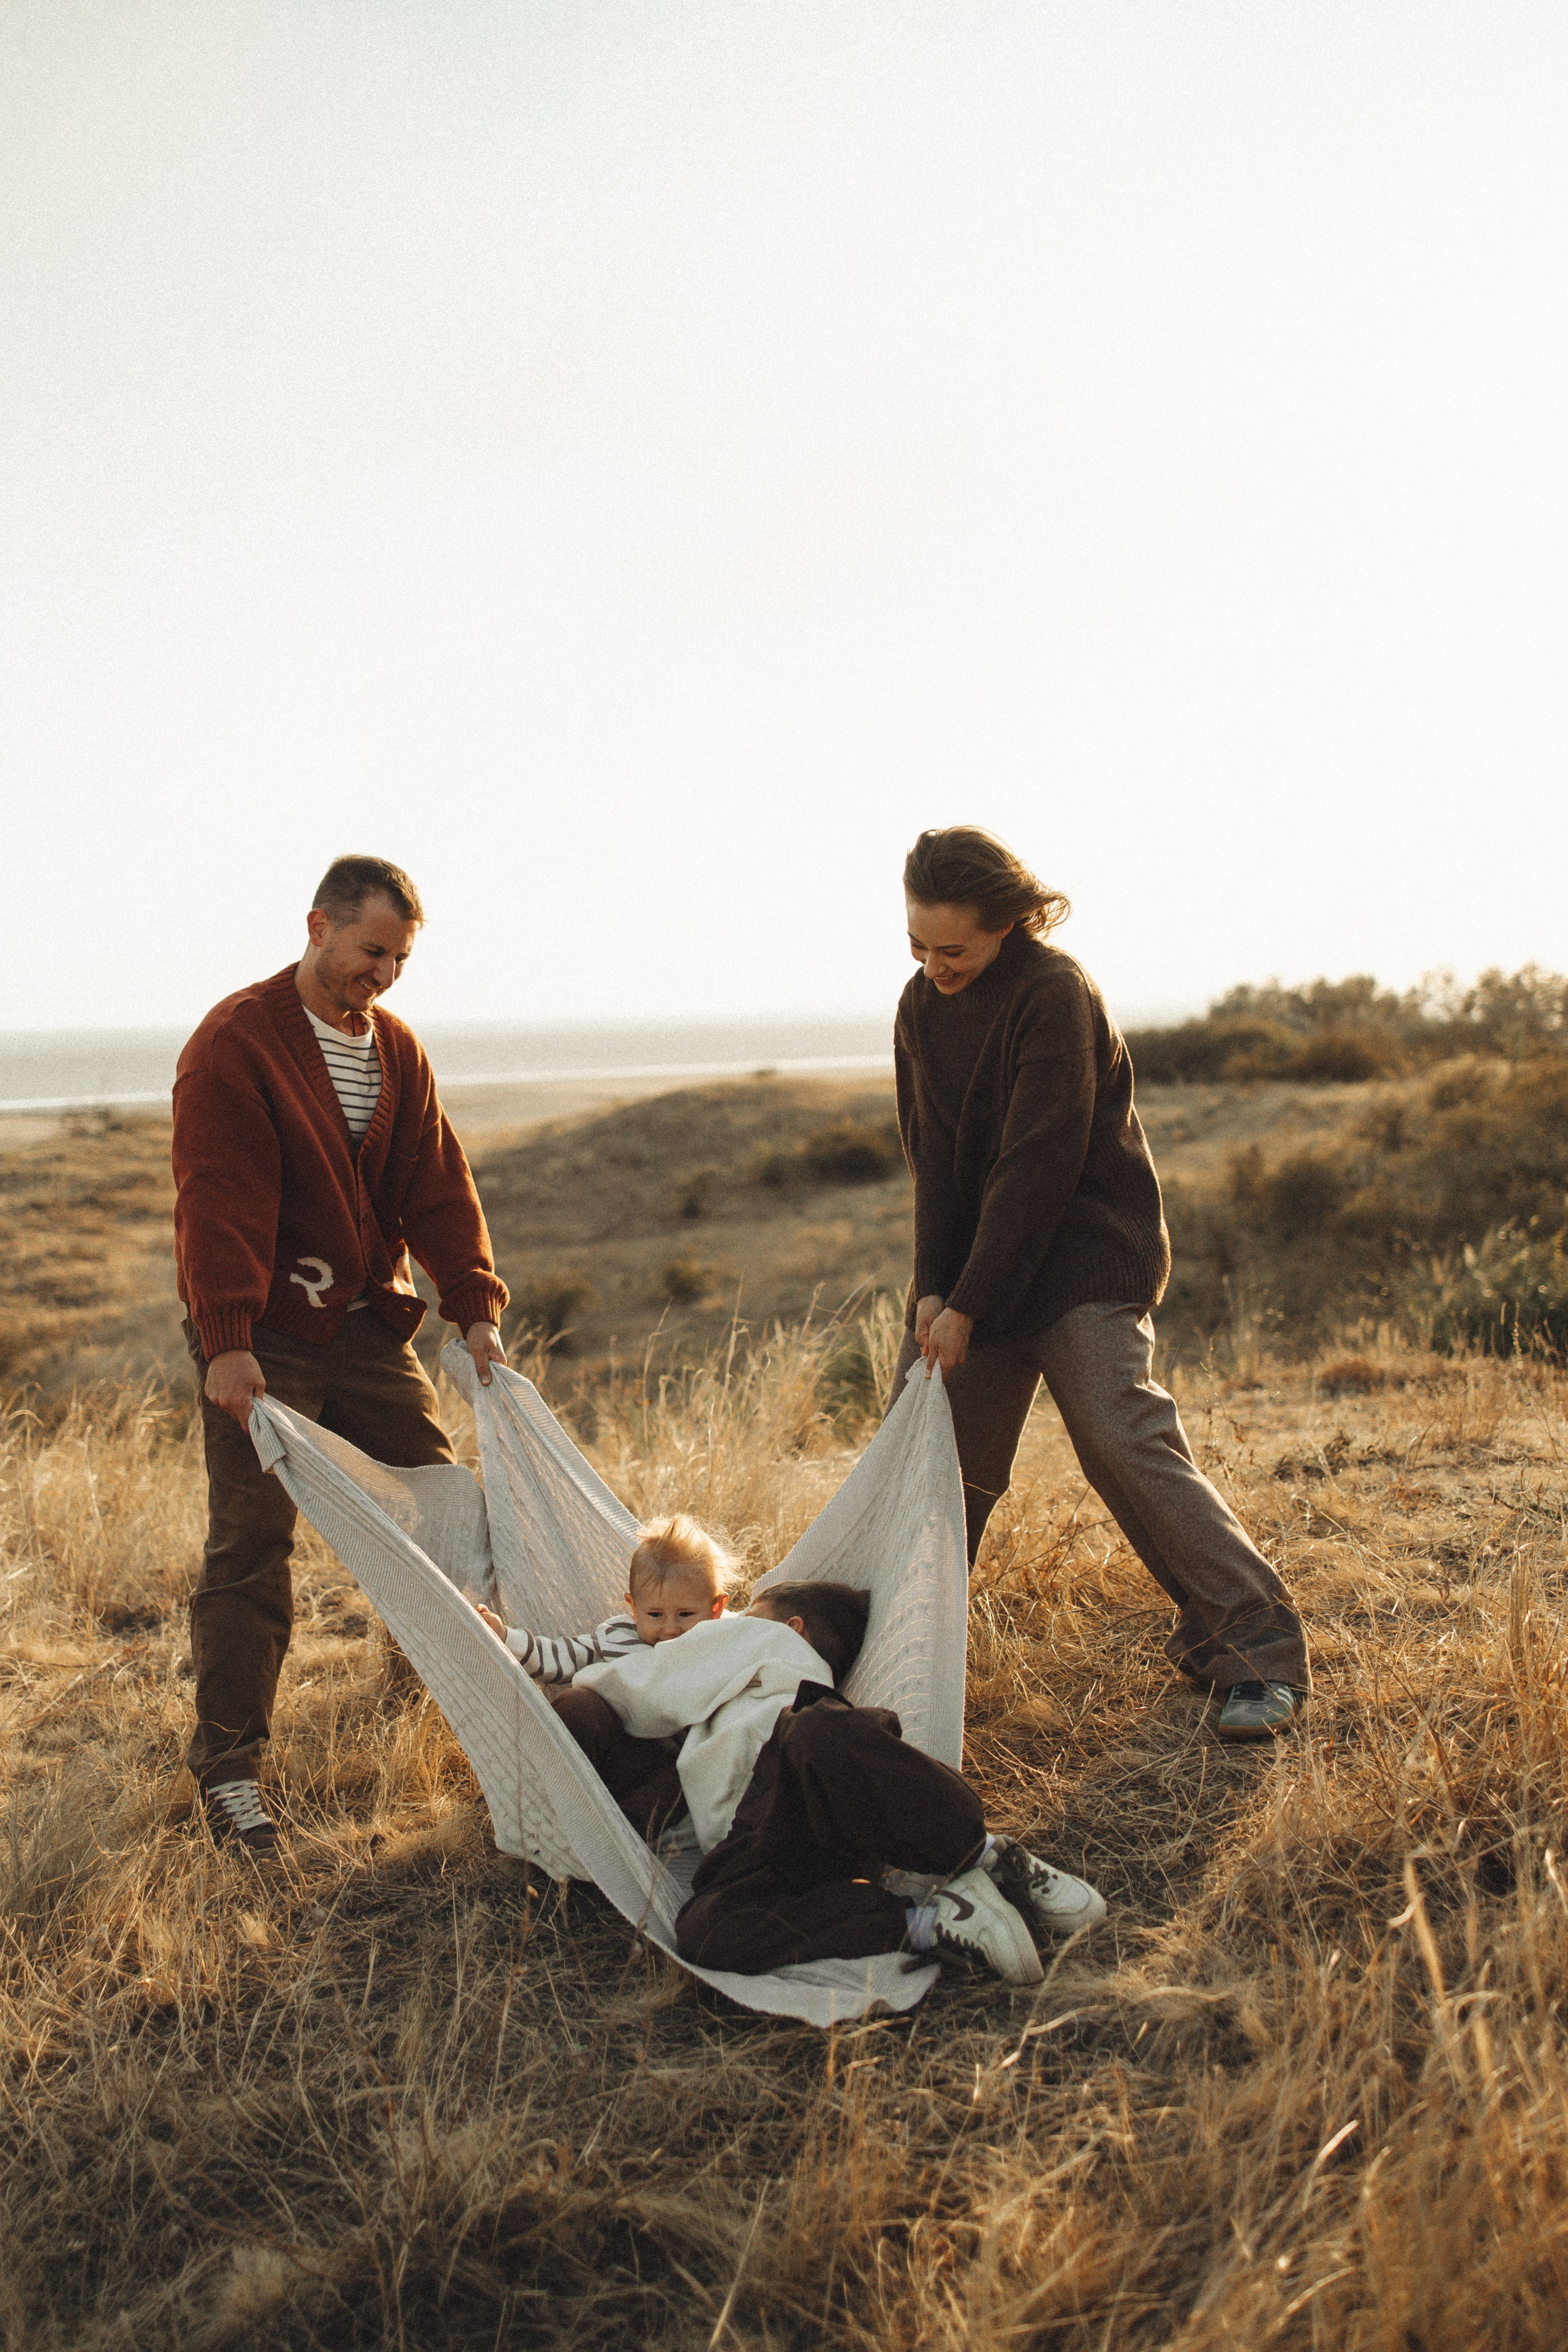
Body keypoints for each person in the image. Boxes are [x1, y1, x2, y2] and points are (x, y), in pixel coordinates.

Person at [891, 826, 1310, 1741]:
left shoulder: (1054, 994)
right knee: (927, 1455)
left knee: (1121, 1436)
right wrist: (932, 1290)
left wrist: (968, 1304)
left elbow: (1037, 1166)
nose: (934, 965)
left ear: (1008, 925)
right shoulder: (922, 1007)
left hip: (1083, 1257)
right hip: (977, 1271)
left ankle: (1256, 1652)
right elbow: (936, 1160)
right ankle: (893, 1664)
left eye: (953, 948)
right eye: (917, 945)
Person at [173, 853, 510, 1852]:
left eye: (400, 959)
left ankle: (431, 1711)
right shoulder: (237, 1042)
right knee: (252, 1548)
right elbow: (215, 1199)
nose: (385, 975)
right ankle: (230, 1773)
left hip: (366, 1327)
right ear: (317, 925)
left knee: (443, 1511)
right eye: (373, 952)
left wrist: (473, 1303)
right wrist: (227, 1341)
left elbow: (439, 1183)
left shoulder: (397, 1050)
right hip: (265, 1339)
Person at [541, 1573, 1107, 1984]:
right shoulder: (735, 1691)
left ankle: (987, 1855)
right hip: (764, 1839)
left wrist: (572, 1683)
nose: (722, 1629)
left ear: (792, 1628)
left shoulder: (767, 1647)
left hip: (793, 1768)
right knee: (706, 1931)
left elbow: (650, 1683)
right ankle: (932, 1922)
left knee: (819, 1733)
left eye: (744, 1618)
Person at [473, 1512, 731, 1680]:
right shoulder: (616, 1637)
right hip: (628, 1743)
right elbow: (559, 1655)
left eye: (686, 1614)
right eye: (654, 1614)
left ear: (716, 1609)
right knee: (579, 1706)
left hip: (690, 1747)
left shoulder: (726, 1639)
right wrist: (506, 1637)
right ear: (634, 1608)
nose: (670, 1629)